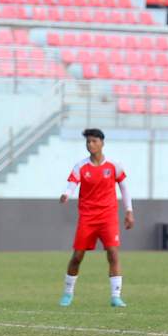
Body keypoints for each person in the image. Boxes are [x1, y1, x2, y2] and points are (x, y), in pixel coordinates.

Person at [58, 128, 134, 308]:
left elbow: (124, 188)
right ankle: (68, 293)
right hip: (87, 216)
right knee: (77, 256)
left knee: (113, 253)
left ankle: (116, 296)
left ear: (102, 143)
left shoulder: (114, 166)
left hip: (107, 216)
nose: (90, 144)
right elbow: (72, 183)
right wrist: (66, 194)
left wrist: (129, 211)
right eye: (88, 142)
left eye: (94, 141)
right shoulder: (81, 166)